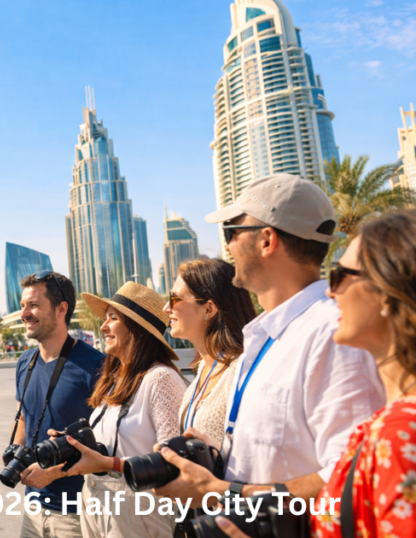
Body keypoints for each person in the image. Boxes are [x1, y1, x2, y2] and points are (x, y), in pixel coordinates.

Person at [153, 174, 385, 511]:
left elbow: (350, 475)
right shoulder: (265, 337)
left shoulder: (332, 334)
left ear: (266, 240)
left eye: (231, 232)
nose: (228, 245)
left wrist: (224, 493)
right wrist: (217, 454)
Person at [221, 210, 416, 537]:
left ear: (385, 292)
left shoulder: (401, 432)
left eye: (340, 276)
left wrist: (224, 492)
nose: (329, 291)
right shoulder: (388, 423)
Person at [58, 281, 186, 538]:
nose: (103, 326)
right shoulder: (116, 378)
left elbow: (173, 461)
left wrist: (109, 463)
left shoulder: (160, 378)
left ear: (136, 328)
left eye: (112, 318)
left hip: (137, 509)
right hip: (97, 502)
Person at [10, 270, 105, 538]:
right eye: (22, 306)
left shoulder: (96, 366)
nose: (25, 313)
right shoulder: (24, 362)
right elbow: (24, 417)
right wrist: (15, 450)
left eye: (34, 305)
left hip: (75, 512)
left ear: (61, 308)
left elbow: (106, 441)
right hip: (32, 508)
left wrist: (52, 473)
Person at [166, 257, 256, 448]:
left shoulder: (240, 371)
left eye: (174, 298)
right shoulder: (202, 370)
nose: (167, 308)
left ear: (209, 308)